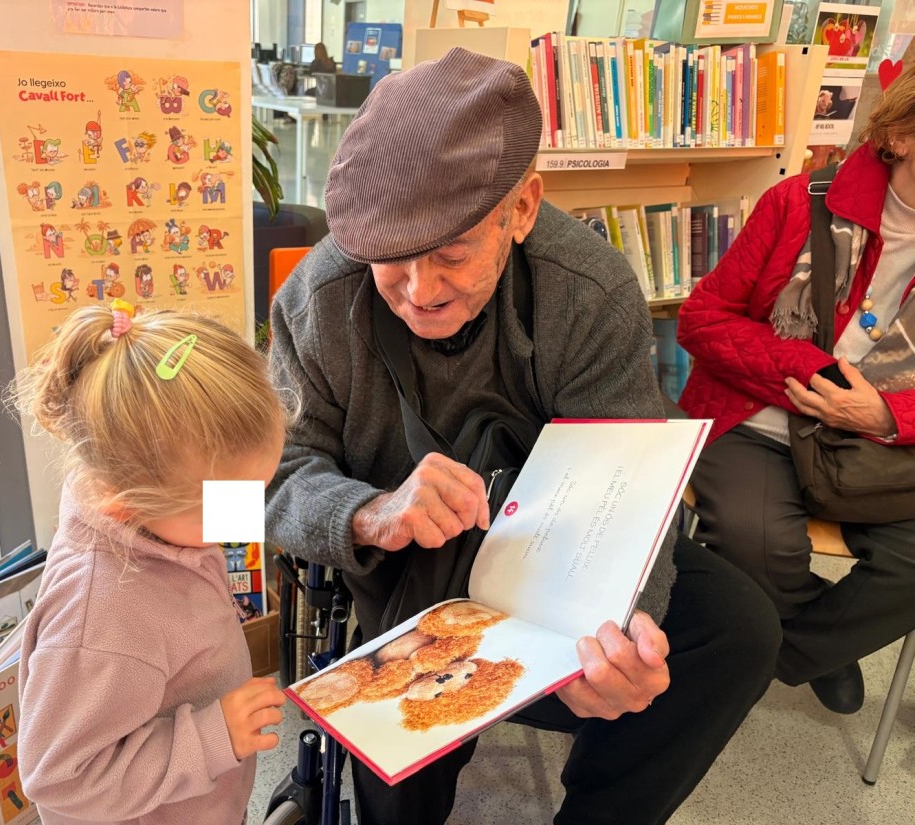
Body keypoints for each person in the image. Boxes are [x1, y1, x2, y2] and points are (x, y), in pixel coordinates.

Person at [265, 47, 781, 825]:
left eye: (452, 253)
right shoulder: (319, 299)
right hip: (403, 572)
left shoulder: (588, 288)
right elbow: (264, 481)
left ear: (524, 208)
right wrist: (370, 512)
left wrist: (619, 630)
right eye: (390, 260)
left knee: (738, 628)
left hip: (558, 553)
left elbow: (632, 484)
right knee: (396, 755)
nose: (419, 291)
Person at [677, 65, 915, 715]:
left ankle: (781, 651)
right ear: (900, 133)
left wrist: (888, 414)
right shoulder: (796, 203)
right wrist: (809, 369)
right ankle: (823, 644)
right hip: (757, 417)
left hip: (876, 440)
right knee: (756, 541)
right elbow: (702, 320)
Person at [12, 304, 289, 824]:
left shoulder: (156, 518)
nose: (248, 515)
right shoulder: (102, 615)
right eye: (228, 503)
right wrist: (214, 736)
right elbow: (58, 776)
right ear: (126, 503)